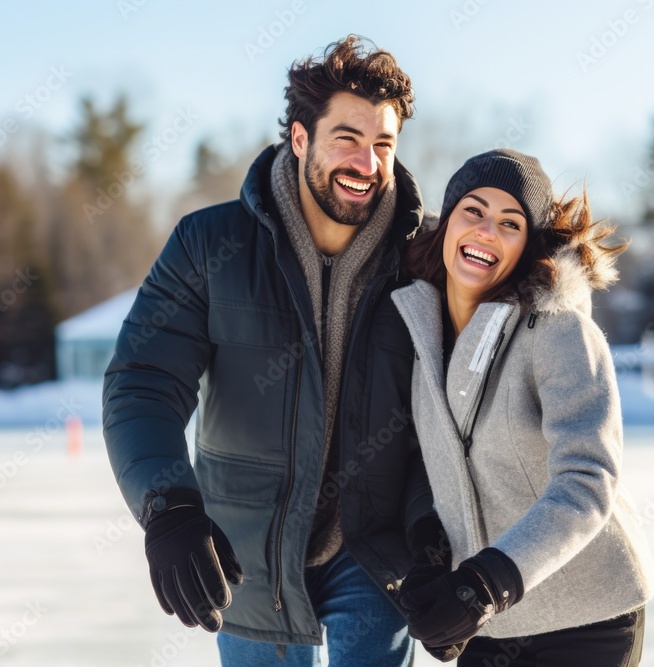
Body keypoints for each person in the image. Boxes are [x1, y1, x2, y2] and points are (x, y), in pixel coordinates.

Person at [103, 36, 449, 666]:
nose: (367, 163)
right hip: (246, 553)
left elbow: (462, 410)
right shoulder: (211, 245)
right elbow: (144, 380)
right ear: (299, 139)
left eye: (383, 145)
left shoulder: (426, 259)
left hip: (372, 550)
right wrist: (169, 506)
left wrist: (435, 541)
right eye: (347, 138)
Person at [390, 149, 654, 666]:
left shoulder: (559, 332)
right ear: (446, 224)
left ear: (526, 247)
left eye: (509, 223)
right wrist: (430, 553)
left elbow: (587, 479)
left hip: (589, 616)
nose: (487, 231)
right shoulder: (423, 332)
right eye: (474, 210)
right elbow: (432, 461)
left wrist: (483, 585)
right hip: (493, 626)